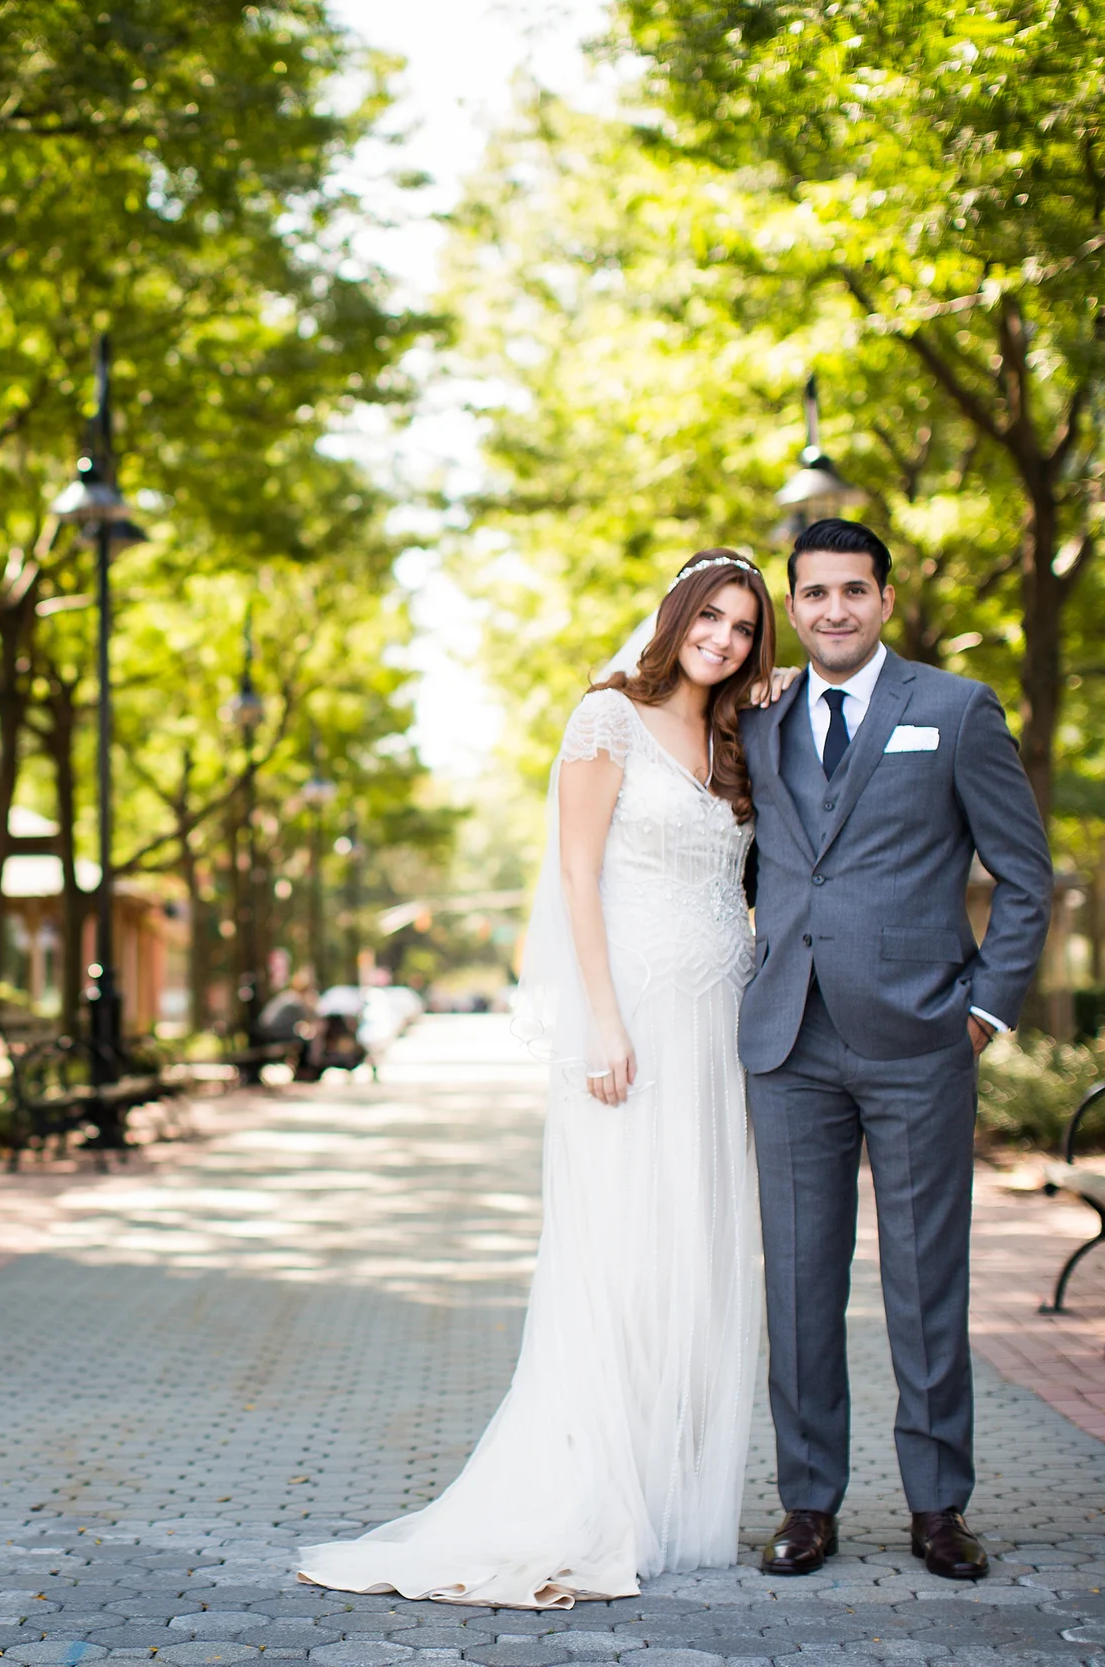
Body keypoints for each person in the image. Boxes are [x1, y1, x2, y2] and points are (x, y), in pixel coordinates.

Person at [296, 550, 778, 1607]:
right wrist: (599, 1019)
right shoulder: (607, 718)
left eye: (744, 626)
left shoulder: (740, 738)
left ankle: (667, 1489)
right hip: (631, 1015)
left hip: (718, 1025)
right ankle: (590, 1489)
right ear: (675, 617)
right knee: (621, 1252)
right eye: (710, 616)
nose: (723, 638)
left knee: (694, 1249)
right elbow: (574, 873)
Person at [737, 519, 1050, 1582]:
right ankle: (807, 1502)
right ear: (794, 604)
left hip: (921, 1038)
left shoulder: (955, 709)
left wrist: (984, 1009)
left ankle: (937, 1505)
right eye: (814, 592)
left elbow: (1024, 874)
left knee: (925, 1279)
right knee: (797, 1284)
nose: (834, 608)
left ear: (884, 599)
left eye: (853, 590)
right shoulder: (759, 720)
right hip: (789, 1039)